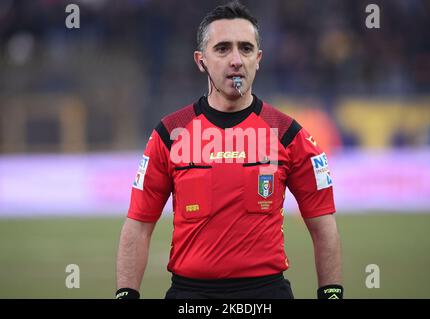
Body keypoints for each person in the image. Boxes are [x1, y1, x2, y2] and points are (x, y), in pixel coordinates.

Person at [116, 1, 343, 299]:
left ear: (258, 59)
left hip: (266, 297)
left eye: (246, 49)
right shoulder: (170, 134)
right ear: (201, 60)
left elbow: (322, 224)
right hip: (190, 298)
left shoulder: (289, 134)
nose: (236, 59)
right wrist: (126, 294)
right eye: (223, 48)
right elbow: (138, 227)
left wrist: (331, 294)